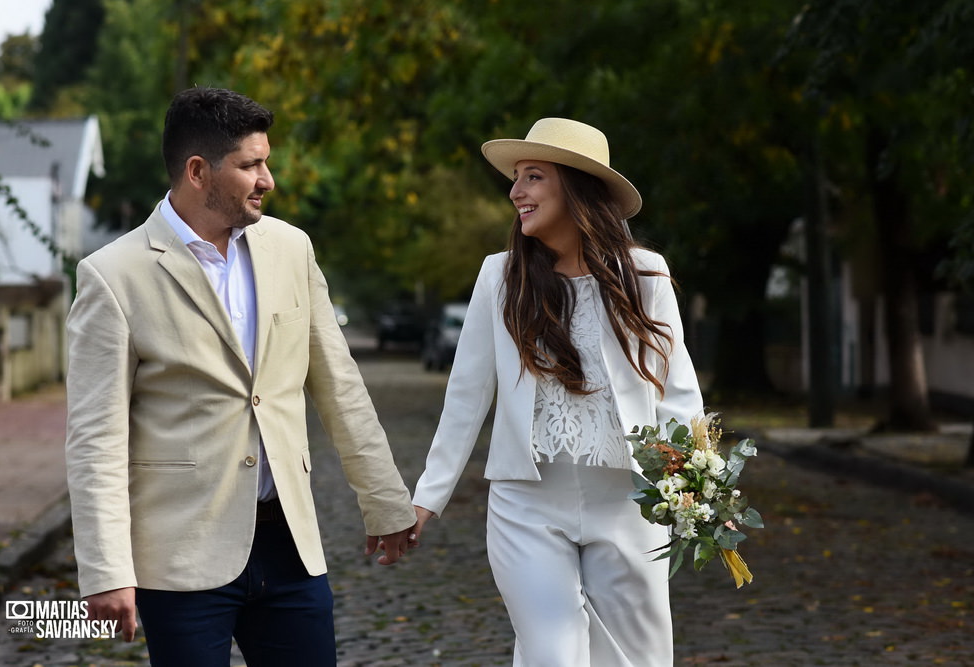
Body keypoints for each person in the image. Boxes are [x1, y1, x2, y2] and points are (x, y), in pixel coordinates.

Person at [65, 87, 416, 666]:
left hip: (289, 545)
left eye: (266, 161)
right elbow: (96, 438)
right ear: (199, 171)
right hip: (180, 553)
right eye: (251, 164)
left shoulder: (291, 249)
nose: (268, 179)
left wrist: (384, 499)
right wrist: (106, 570)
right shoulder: (113, 276)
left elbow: (339, 386)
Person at [410, 118, 704, 666]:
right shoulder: (499, 278)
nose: (516, 192)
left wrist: (691, 487)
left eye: (534, 177)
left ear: (576, 187)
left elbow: (677, 391)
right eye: (517, 178)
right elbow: (467, 396)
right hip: (526, 505)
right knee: (553, 657)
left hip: (628, 504)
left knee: (635, 658)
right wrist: (428, 496)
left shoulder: (645, 274)